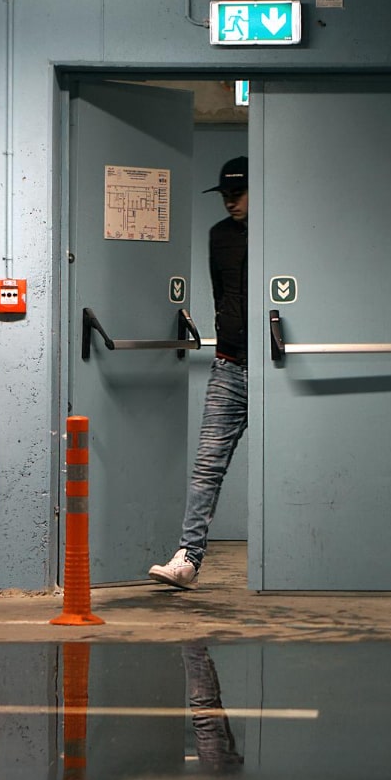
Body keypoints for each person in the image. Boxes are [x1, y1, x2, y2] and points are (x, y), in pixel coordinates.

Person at [148, 156, 248, 589]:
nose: (229, 202)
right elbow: (221, 294)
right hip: (229, 365)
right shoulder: (218, 236)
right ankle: (187, 559)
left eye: (237, 193)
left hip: (275, 366)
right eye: (224, 195)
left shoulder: (283, 233)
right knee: (207, 466)